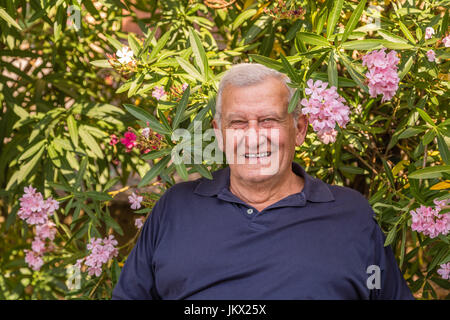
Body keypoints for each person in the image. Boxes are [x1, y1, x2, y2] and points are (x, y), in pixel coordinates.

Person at [112, 63, 414, 300]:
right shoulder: (175, 208)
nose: (253, 137)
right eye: (238, 123)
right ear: (219, 132)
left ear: (299, 128)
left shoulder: (351, 214)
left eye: (269, 120)